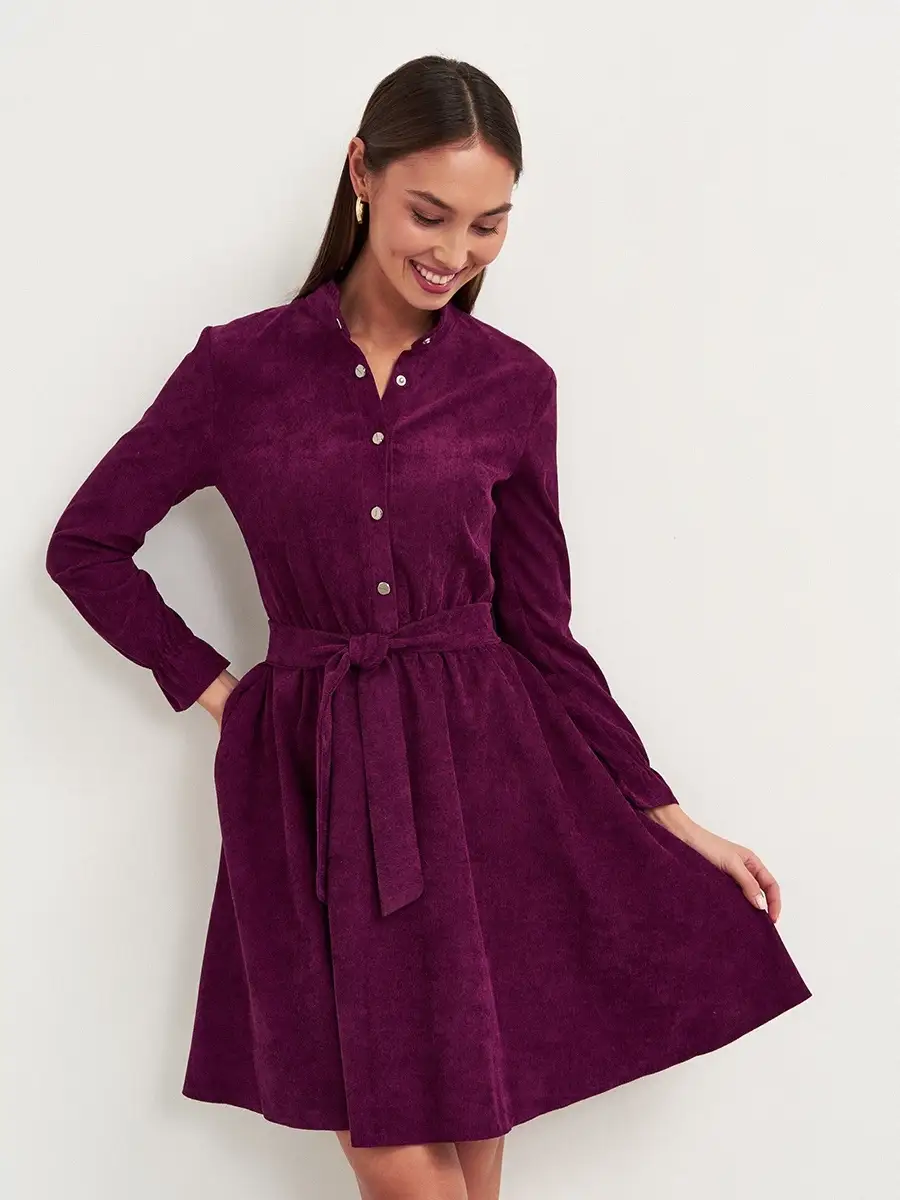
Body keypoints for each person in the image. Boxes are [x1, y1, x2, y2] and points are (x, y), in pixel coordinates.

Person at [45, 54, 811, 1200]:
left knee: (471, 1145)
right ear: (362, 173)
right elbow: (87, 545)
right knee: (393, 1149)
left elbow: (541, 631)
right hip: (311, 781)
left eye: (490, 225)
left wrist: (670, 814)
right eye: (431, 213)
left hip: (483, 783)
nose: (456, 251)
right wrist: (226, 695)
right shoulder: (237, 370)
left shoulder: (513, 385)